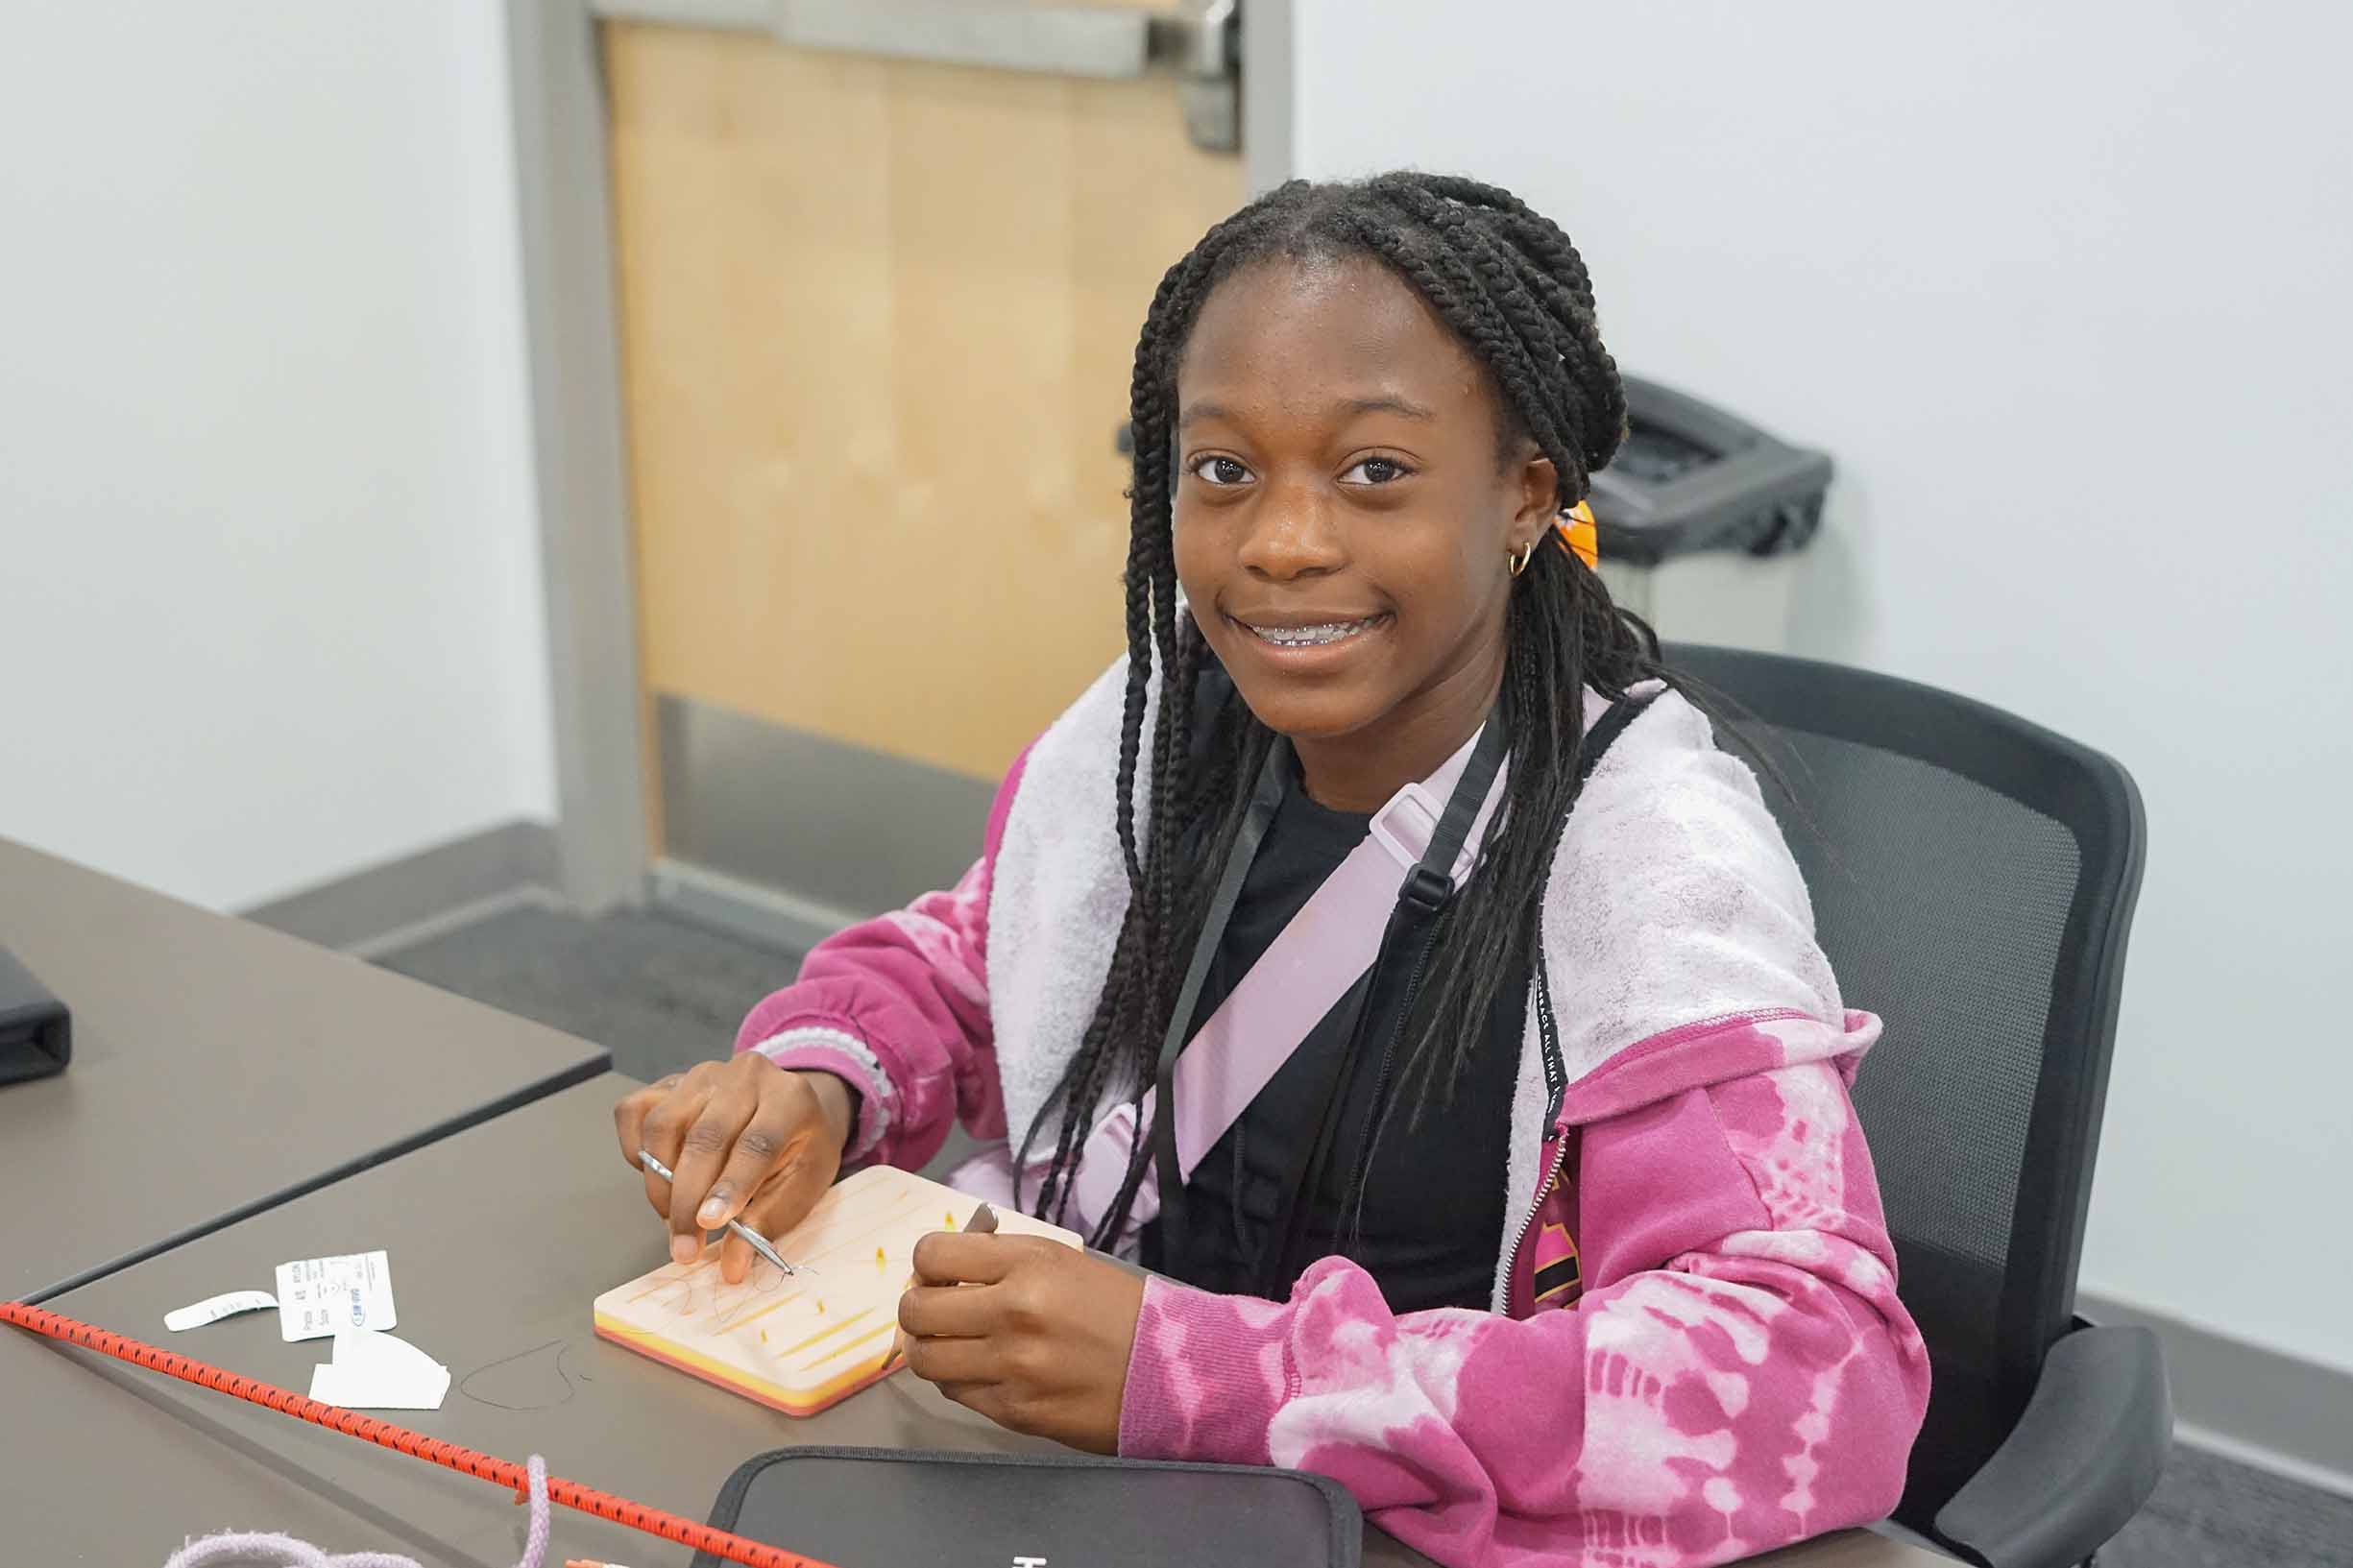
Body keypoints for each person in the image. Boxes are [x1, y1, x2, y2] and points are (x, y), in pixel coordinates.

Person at [613, 173, 1928, 1567]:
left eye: (1374, 472)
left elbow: (1807, 1379)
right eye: (1223, 470)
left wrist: (1206, 1376)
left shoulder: (1647, 853)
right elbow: (976, 958)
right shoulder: (1168, 722)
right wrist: (818, 1079)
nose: (1282, 543)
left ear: (1523, 497)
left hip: (1398, 1527)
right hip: (1076, 1480)